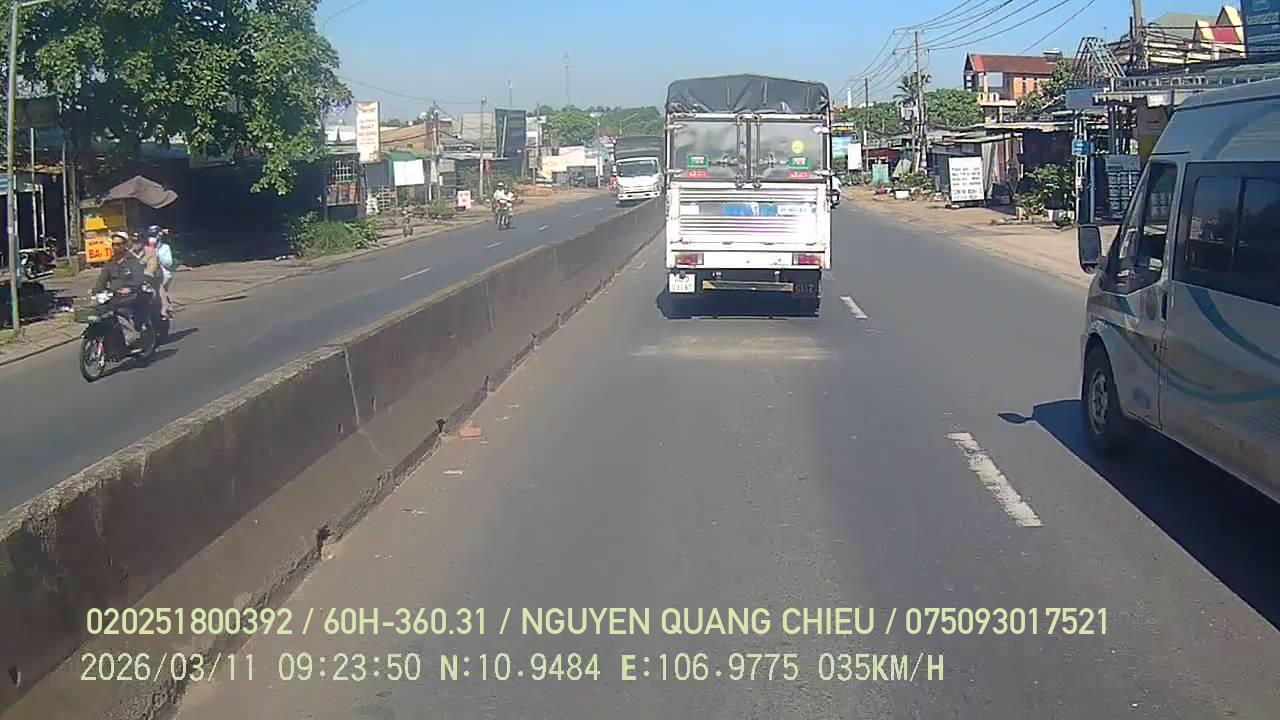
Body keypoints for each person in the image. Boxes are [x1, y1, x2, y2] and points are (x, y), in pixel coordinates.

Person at [147, 227, 175, 318]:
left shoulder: (165, 247)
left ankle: (165, 309)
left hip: (164, 273)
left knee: (160, 287)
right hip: (150, 273)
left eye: (154, 235)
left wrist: (156, 254)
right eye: (150, 235)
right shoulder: (146, 248)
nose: (152, 238)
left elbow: (168, 263)